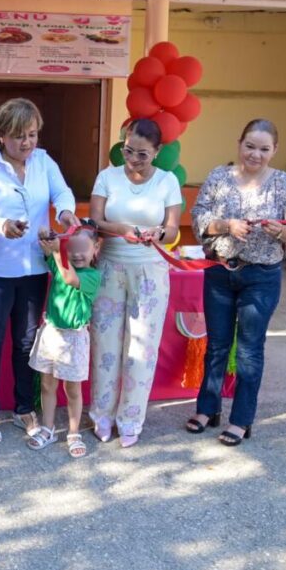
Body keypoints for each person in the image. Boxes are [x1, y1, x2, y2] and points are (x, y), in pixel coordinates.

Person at [0, 98, 80, 444]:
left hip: (32, 268)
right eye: (18, 136)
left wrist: (66, 213)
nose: (26, 143)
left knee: (27, 342)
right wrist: (0, 225)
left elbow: (62, 192)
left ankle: (24, 407)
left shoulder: (43, 162)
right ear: (0, 135)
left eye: (31, 135)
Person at [186, 119, 286, 446]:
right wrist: (226, 225)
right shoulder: (218, 177)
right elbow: (198, 219)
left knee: (249, 351)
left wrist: (279, 231)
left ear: (275, 151)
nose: (255, 154)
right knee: (216, 345)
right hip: (220, 272)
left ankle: (241, 419)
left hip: (262, 276)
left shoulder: (283, 183)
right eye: (250, 146)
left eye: (264, 149)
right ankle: (207, 409)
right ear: (239, 143)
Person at [88, 118, 182, 448]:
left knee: (141, 348)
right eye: (128, 151)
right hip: (110, 267)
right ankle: (101, 414)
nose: (133, 159)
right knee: (105, 345)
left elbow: (172, 228)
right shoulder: (107, 177)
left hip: (150, 272)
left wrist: (159, 234)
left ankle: (131, 418)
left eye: (142, 154)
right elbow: (95, 221)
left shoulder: (168, 182)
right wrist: (120, 229)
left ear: (157, 152)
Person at [27, 227, 102, 458]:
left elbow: (69, 278)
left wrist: (59, 254)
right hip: (51, 333)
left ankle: (73, 432)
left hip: (74, 338)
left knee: (72, 389)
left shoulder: (92, 276)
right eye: (73, 250)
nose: (77, 255)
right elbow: (46, 250)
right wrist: (47, 237)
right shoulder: (60, 264)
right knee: (48, 385)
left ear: (95, 249)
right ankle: (48, 428)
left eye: (83, 250)